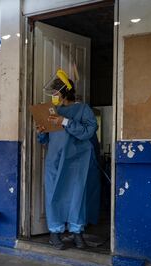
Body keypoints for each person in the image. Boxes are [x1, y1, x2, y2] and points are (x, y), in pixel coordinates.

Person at [36, 78, 100, 250]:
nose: (54, 96)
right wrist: (41, 132)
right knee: (54, 194)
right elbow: (46, 139)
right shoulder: (53, 110)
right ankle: (55, 233)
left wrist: (64, 121)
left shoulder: (83, 109)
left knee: (77, 195)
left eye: (56, 93)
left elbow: (88, 132)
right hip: (55, 160)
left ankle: (77, 232)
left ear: (65, 91)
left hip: (76, 161)